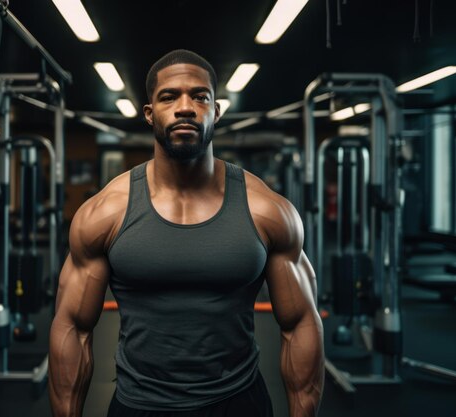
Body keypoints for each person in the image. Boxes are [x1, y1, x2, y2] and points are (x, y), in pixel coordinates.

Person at [49, 50, 324, 417]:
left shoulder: (267, 210)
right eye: (169, 96)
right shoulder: (105, 213)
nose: (185, 107)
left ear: (216, 111)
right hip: (139, 406)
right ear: (150, 114)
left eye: (200, 96)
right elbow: (73, 328)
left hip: (239, 403)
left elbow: (301, 323)